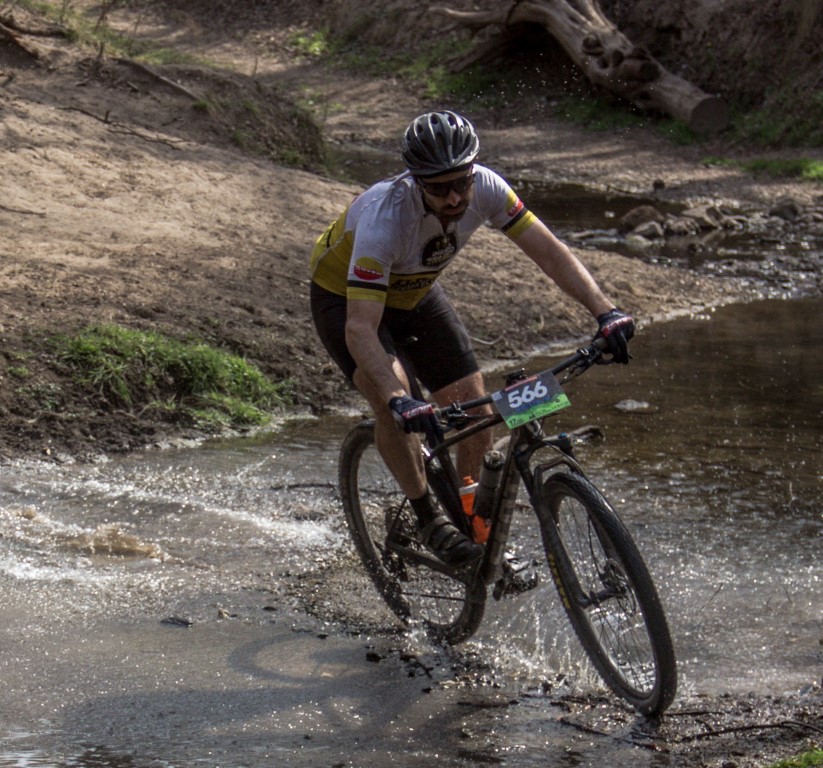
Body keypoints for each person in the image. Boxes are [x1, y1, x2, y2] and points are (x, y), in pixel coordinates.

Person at [310, 110, 634, 567]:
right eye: (439, 188)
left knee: (476, 409)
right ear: (416, 181)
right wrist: (400, 400)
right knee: (390, 397)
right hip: (346, 298)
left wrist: (606, 311)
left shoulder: (488, 187)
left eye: (461, 182)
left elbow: (549, 252)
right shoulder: (385, 219)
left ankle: (475, 524)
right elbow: (360, 329)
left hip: (414, 290)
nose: (455, 197)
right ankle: (428, 519)